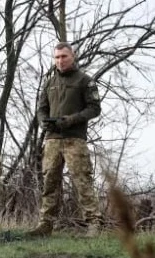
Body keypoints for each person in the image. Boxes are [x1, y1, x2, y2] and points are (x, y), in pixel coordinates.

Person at [29, 41, 104, 237]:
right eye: (57, 57)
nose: (60, 61)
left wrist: (71, 120)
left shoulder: (84, 81)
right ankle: (46, 223)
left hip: (74, 139)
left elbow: (94, 108)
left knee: (82, 180)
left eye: (64, 56)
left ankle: (94, 223)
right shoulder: (49, 82)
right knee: (50, 181)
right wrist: (43, 121)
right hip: (52, 139)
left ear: (73, 56)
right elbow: (41, 108)